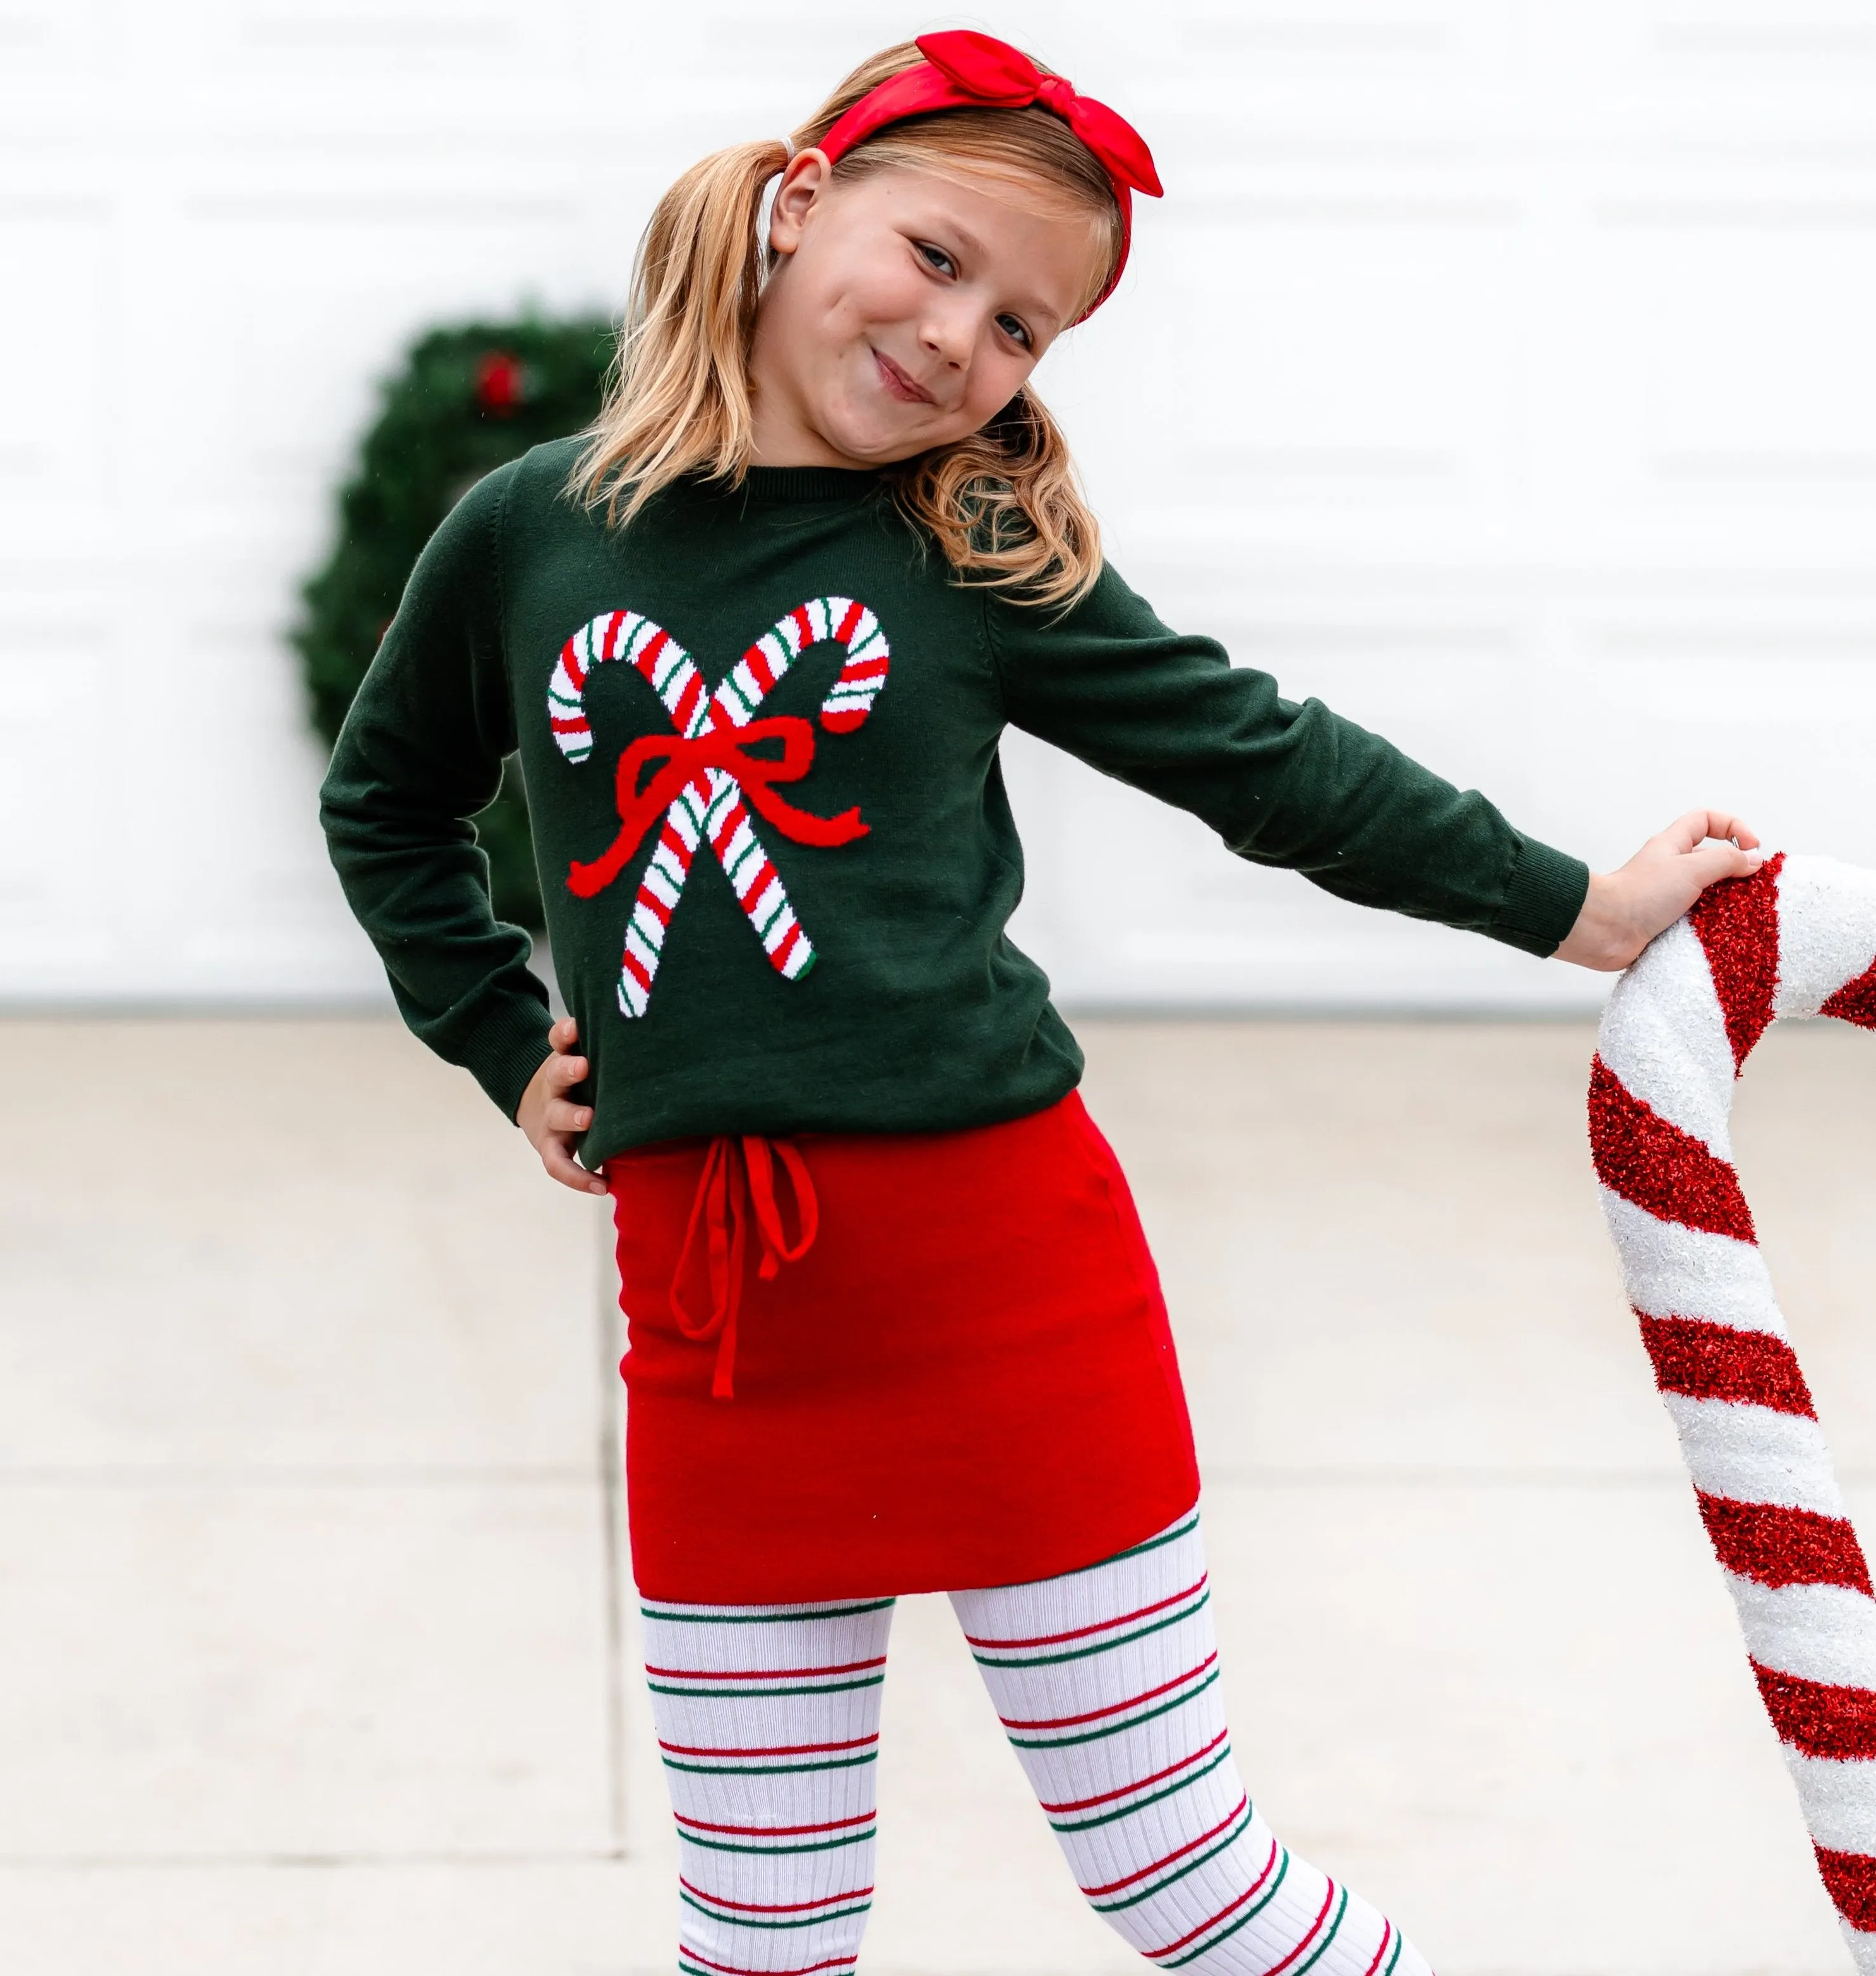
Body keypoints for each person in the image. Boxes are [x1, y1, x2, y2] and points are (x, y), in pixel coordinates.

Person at [321, 33, 1762, 1976]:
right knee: (756, 1942)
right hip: (719, 1325)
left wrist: (1577, 906)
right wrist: (503, 1041)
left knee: (1195, 1896)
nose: (956, 342)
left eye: (1022, 330)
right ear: (799, 197)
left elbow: (1262, 759)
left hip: (1012, 1291)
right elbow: (388, 803)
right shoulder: (531, 531)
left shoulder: (974, 548)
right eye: (935, 259)